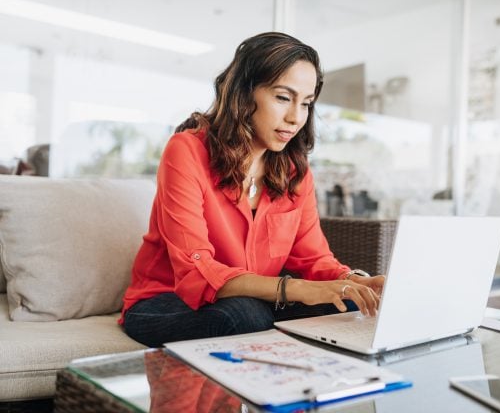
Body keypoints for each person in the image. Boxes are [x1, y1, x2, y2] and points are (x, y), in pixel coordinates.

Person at [120, 32, 385, 348]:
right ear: (245, 93)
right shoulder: (186, 151)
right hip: (165, 302)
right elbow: (196, 271)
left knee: (352, 304)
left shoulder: (294, 172)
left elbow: (314, 260)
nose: (295, 118)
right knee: (247, 315)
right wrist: (297, 290)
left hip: (256, 300)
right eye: (283, 98)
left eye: (306, 103)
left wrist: (355, 282)